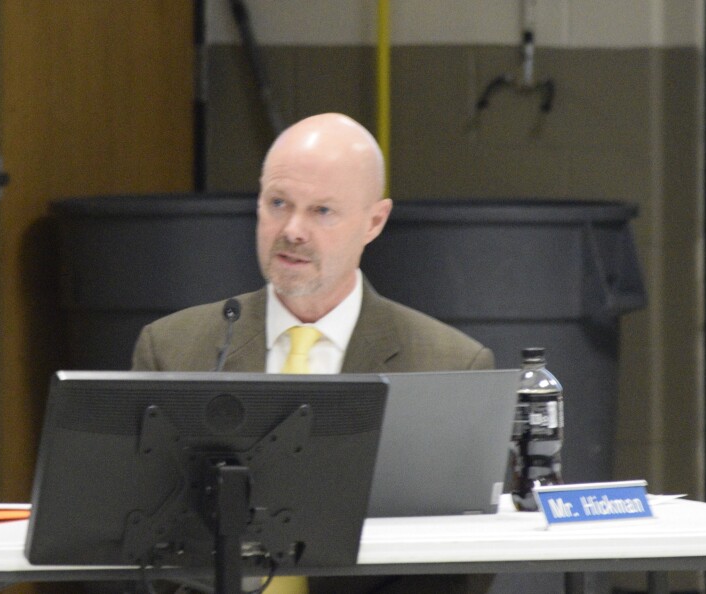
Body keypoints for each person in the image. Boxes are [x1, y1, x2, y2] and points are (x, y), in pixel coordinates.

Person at [131, 112, 494, 594]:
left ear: (374, 221)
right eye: (278, 203)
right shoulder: (175, 347)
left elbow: (466, 569)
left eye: (322, 211)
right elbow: (138, 542)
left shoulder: (449, 365)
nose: (293, 230)